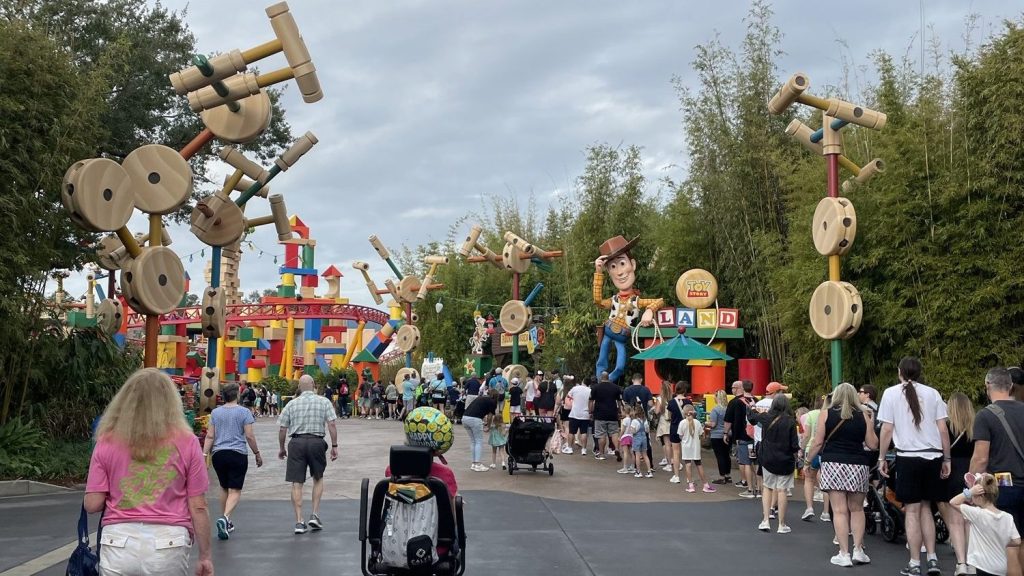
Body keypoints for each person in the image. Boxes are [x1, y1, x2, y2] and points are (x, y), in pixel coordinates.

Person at [84, 369, 213, 576]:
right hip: (169, 542)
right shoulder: (187, 441)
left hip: (118, 541)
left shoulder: (107, 440)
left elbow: (92, 504)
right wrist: (205, 556)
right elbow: (198, 506)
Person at [878, 357, 952, 576]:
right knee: (927, 509)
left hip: (908, 457)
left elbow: (887, 430)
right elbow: (943, 430)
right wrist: (946, 459)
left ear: (900, 371)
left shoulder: (890, 393)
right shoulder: (933, 393)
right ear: (919, 372)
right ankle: (932, 558)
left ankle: (914, 562)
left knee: (912, 510)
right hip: (933, 456)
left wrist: (882, 457)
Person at [805, 382, 878, 567]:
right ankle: (859, 550)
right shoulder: (863, 415)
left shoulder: (826, 413)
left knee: (839, 510)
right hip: (858, 465)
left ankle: (844, 553)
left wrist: (807, 461)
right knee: (857, 509)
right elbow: (873, 444)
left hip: (833, 463)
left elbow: (818, 442)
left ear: (835, 396)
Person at [971, 367, 1024, 576]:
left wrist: (972, 485)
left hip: (1003, 487)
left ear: (987, 386)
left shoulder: (985, 415)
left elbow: (981, 457)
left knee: (1007, 543)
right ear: (1011, 387)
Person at [592, 235, 664, 382]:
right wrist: (598, 273)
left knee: (620, 366)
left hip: (622, 336)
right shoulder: (613, 299)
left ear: (633, 265)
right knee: (601, 360)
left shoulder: (636, 300)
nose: (619, 272)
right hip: (608, 331)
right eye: (613, 266)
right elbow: (598, 301)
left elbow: (659, 301)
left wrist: (649, 311)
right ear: (609, 272)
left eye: (622, 263)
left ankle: (607, 382)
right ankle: (601, 382)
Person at [277, 374, 339, 534]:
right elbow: (331, 424)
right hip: (316, 442)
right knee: (318, 478)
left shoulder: (291, 404)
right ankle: (315, 514)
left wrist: (282, 448)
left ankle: (299, 521)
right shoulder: (324, 401)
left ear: (299, 386)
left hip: (296, 443)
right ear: (313, 385)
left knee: (297, 483)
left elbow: (282, 428)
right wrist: (334, 445)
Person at [202, 382, 262, 541]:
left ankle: (226, 520)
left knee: (224, 487)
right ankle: (225, 518)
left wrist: (203, 454)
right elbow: (249, 435)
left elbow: (210, 436)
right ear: (236, 395)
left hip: (218, 455)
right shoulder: (244, 412)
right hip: (237, 454)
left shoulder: (215, 413)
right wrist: (257, 453)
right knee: (235, 490)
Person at [950, 473, 1022, 576]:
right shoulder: (1008, 517)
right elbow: (1017, 541)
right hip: (1001, 567)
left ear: (980, 495)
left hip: (983, 565)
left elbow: (953, 502)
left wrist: (969, 492)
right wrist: (1001, 541)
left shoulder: (977, 513)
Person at [937, 392, 976, 575]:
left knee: (955, 521)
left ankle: (961, 563)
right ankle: (972, 561)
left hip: (952, 471)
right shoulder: (976, 426)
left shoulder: (946, 426)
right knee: (970, 520)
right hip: (972, 472)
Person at [749, 393, 799, 534]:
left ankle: (765, 520)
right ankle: (781, 524)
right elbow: (794, 445)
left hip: (768, 458)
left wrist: (752, 407)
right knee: (782, 490)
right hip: (785, 460)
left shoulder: (766, 417)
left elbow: (752, 418)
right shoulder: (790, 421)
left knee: (767, 487)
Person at [724, 380, 757, 497]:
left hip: (743, 436)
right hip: (755, 436)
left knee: (746, 462)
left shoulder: (737, 402)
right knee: (755, 462)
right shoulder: (756, 400)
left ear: (742, 388)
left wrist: (731, 435)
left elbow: (735, 421)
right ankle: (758, 487)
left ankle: (749, 488)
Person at [801, 395, 828, 521]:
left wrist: (802, 447)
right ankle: (826, 511)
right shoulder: (830, 413)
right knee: (825, 481)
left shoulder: (810, 415)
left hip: (811, 449)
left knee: (809, 479)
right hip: (826, 451)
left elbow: (806, 434)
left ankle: (809, 508)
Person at [679, 404, 714, 493]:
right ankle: (705, 485)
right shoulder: (697, 422)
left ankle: (691, 485)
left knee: (688, 464)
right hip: (695, 447)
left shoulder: (682, 423)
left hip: (686, 446)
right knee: (699, 464)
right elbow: (701, 434)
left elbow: (680, 435)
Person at [589, 372, 622, 461]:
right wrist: (619, 412)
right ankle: (617, 449)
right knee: (614, 433)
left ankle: (602, 454)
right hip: (612, 413)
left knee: (601, 434)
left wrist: (590, 412)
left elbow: (591, 401)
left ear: (601, 378)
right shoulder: (616, 388)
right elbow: (619, 402)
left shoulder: (595, 387)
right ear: (609, 378)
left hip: (600, 414)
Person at [463, 390, 498, 472]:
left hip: (465, 417)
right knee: (478, 441)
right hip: (475, 419)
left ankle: (474, 463)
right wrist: (488, 426)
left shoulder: (481, 398)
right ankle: (478, 464)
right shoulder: (492, 402)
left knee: (473, 441)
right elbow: (490, 417)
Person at [707, 389, 731, 485]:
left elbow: (713, 424)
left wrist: (706, 423)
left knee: (720, 456)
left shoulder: (715, 409)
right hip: (728, 433)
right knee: (726, 455)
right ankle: (728, 475)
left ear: (718, 398)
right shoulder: (728, 408)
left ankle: (722, 477)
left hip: (717, 435)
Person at [666, 381, 688, 484]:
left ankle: (676, 476)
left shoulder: (671, 402)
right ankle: (689, 478)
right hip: (686, 428)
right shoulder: (689, 402)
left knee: (675, 452)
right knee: (687, 453)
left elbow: (669, 416)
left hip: (675, 428)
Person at [567, 377, 593, 455]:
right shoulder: (590, 391)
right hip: (585, 414)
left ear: (583, 381)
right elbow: (591, 401)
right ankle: (584, 449)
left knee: (571, 432)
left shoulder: (575, 388)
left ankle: (569, 448)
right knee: (584, 432)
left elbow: (568, 395)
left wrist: (575, 398)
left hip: (574, 413)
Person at [629, 404, 654, 478]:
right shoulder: (645, 421)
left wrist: (632, 430)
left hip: (637, 438)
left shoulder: (634, 421)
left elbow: (633, 431)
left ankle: (638, 471)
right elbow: (647, 430)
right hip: (644, 438)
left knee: (637, 454)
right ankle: (649, 471)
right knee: (645, 455)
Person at [655, 381, 673, 471]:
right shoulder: (672, 399)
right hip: (672, 422)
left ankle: (669, 463)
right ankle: (675, 461)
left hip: (663, 422)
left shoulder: (660, 398)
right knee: (673, 444)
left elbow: (657, 411)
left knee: (666, 444)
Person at [488, 402, 508, 470]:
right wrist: (507, 431)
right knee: (502, 452)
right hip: (501, 441)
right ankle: (503, 463)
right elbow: (504, 434)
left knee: (494, 452)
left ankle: (493, 464)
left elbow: (487, 429)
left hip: (494, 441)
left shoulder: (493, 426)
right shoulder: (503, 425)